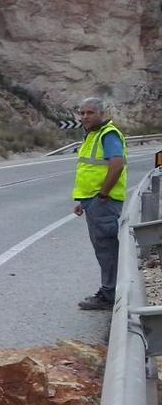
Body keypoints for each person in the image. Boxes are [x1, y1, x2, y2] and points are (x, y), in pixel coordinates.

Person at [72, 97, 128, 310]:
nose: (85, 116)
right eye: (82, 113)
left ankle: (109, 295)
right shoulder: (93, 135)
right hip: (93, 201)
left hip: (103, 202)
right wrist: (83, 202)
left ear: (101, 114)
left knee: (106, 249)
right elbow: (91, 171)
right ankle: (110, 291)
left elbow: (117, 165)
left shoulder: (108, 134)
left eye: (90, 113)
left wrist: (102, 195)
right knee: (104, 249)